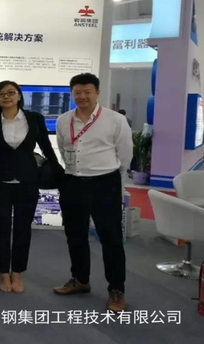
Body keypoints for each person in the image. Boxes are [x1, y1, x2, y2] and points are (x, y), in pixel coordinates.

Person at [54, 73, 132, 313]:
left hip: (104, 183)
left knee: (111, 238)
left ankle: (116, 289)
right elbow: (63, 147)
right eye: (77, 92)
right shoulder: (63, 120)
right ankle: (80, 279)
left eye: (87, 91)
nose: (82, 96)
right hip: (72, 183)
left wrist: (113, 176)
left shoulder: (115, 120)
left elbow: (125, 153)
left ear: (97, 93)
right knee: (75, 235)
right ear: (72, 94)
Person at [0, 81, 62, 294]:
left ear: (19, 96)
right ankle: (3, 272)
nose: (6, 96)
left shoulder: (34, 119)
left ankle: (17, 272)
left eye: (11, 92)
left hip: (27, 182)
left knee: (23, 229)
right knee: (0, 229)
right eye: (1, 94)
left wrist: (58, 172)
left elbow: (46, 147)